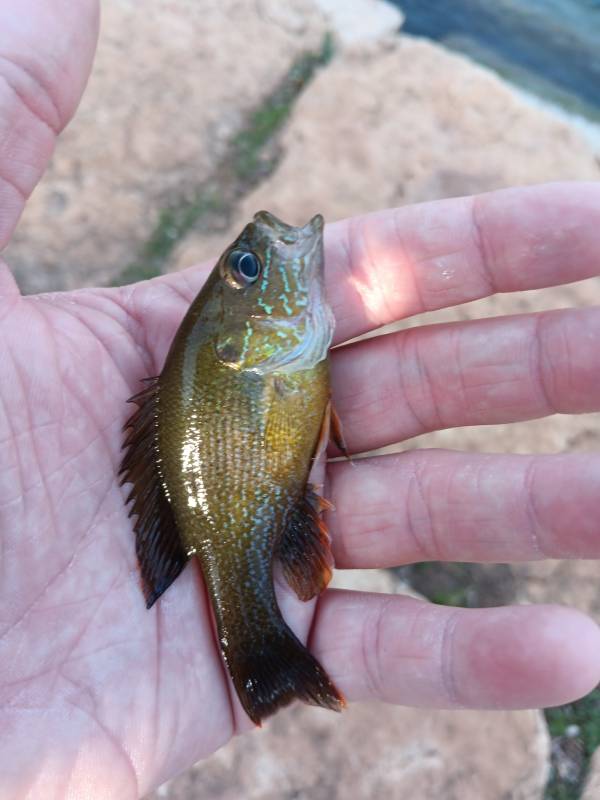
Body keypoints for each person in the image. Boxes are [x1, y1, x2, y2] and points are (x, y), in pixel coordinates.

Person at [1, 2, 599, 798]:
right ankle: (261, 649)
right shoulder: (252, 362)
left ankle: (265, 653)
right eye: (247, 270)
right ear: (234, 342)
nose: (262, 254)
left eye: (244, 264)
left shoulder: (261, 358)